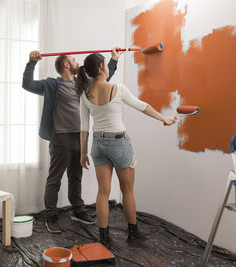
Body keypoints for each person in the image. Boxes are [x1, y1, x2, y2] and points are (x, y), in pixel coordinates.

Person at [76, 53, 175, 246]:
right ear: (103, 67)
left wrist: (83, 153)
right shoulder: (117, 88)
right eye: (106, 63)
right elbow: (143, 107)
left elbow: (84, 128)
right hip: (119, 143)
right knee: (127, 190)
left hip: (97, 144)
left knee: (103, 192)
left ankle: (104, 237)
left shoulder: (85, 95)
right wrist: (164, 119)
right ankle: (133, 233)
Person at [22, 48, 123, 233]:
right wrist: (32, 63)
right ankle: (51, 216)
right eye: (74, 60)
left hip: (80, 136)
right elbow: (27, 84)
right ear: (66, 64)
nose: (78, 63)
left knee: (76, 177)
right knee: (55, 179)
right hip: (61, 138)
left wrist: (114, 59)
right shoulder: (52, 85)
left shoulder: (82, 83)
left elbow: (103, 77)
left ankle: (78, 210)